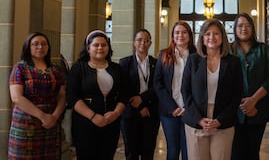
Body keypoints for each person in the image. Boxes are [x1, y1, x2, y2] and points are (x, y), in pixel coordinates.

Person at [182, 18, 243, 160]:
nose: (211, 37)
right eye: (207, 34)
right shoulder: (193, 60)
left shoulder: (233, 62)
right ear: (202, 38)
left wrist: (220, 119)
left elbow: (237, 94)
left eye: (216, 34)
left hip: (223, 122)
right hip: (196, 122)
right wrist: (198, 119)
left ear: (222, 37)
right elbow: (185, 91)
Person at [66, 30, 127, 160]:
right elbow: (72, 96)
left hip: (110, 121)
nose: (100, 48)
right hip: (85, 122)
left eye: (104, 45)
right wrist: (93, 117)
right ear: (88, 48)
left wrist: (115, 114)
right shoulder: (78, 68)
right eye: (96, 45)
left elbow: (124, 95)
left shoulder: (116, 68)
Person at [8, 32, 66, 159]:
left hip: (51, 122)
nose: (40, 47)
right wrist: (43, 116)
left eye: (44, 44)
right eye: (35, 44)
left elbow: (62, 96)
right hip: (26, 122)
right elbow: (17, 98)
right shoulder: (20, 68)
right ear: (28, 47)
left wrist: (54, 117)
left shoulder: (56, 69)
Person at [230, 13, 269, 160]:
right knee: (235, 152)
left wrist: (253, 100)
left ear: (253, 28)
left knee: (252, 152)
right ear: (235, 29)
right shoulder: (228, 51)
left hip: (258, 109)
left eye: (247, 25)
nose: (244, 28)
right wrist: (242, 104)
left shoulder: (265, 50)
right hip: (233, 111)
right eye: (240, 25)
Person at [154, 21, 196, 160]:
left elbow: (200, 85)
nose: (180, 35)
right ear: (173, 36)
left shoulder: (197, 56)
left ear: (189, 35)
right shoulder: (164, 54)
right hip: (169, 111)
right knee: (172, 150)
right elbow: (157, 83)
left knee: (188, 151)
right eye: (177, 32)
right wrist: (172, 107)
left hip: (190, 111)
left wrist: (188, 107)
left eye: (184, 32)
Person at [120, 29, 160, 160]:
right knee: (131, 152)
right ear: (134, 43)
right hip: (130, 114)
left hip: (151, 113)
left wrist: (142, 100)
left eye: (146, 40)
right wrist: (139, 107)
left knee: (148, 153)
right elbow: (124, 88)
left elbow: (158, 87)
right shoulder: (124, 63)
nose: (142, 43)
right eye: (139, 40)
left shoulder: (157, 63)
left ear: (150, 43)